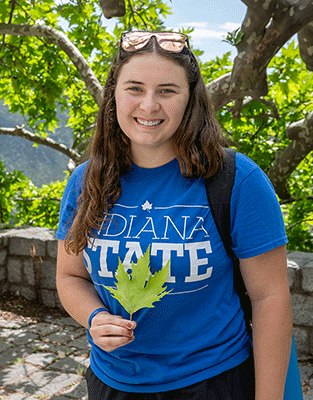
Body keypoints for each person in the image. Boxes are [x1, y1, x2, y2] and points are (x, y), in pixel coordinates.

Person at [56, 30, 293, 400]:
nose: (149, 106)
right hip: (111, 384)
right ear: (113, 95)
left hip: (213, 383)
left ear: (190, 100)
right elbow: (70, 277)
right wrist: (95, 318)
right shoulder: (85, 181)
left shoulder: (237, 179)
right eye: (134, 88)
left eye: (167, 91)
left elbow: (270, 298)